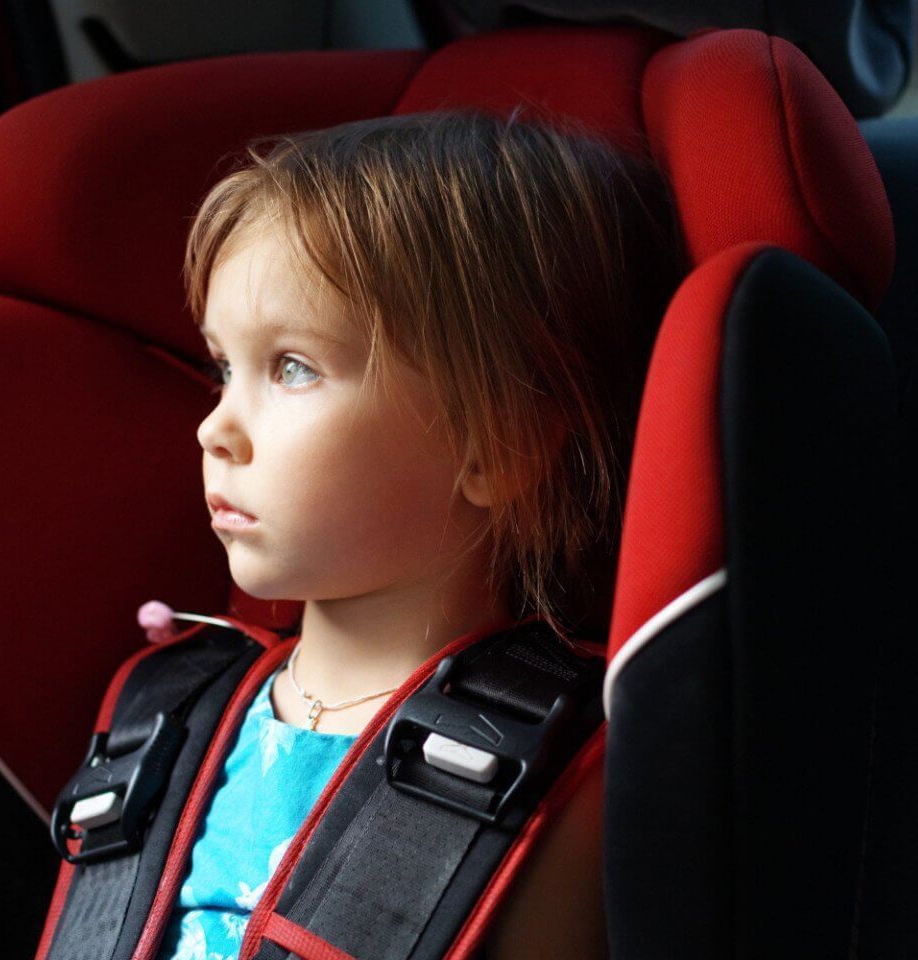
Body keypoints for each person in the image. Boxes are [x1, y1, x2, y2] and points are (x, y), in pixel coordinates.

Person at [163, 106, 685, 960]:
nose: (215, 427)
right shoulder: (176, 724)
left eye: (292, 367)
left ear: (498, 444)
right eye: (225, 366)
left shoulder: (555, 786)